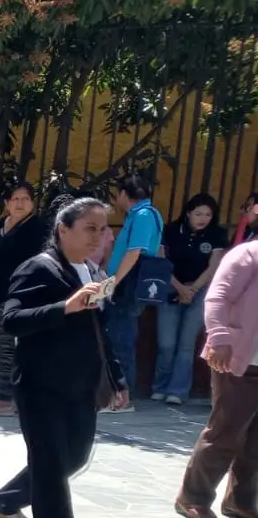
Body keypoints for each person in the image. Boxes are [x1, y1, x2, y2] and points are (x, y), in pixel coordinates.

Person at [0, 198, 128, 518]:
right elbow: (12, 319)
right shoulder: (38, 268)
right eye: (89, 228)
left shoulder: (93, 272)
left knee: (73, 458)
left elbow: (99, 331)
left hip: (82, 385)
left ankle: (3, 502)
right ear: (63, 230)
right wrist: (64, 307)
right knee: (50, 470)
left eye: (103, 229)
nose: (98, 237)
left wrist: (117, 376)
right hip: (41, 386)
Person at [175, 234, 258, 518]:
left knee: (255, 442)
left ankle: (241, 501)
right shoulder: (246, 255)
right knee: (225, 432)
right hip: (238, 359)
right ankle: (192, 498)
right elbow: (217, 297)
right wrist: (219, 338)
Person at [0, 182, 44, 417]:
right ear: (7, 203)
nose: (21, 203)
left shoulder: (36, 229)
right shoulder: (2, 225)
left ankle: (11, 397)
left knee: (9, 345)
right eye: (15, 199)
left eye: (26, 199)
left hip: (19, 296)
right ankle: (7, 391)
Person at [152, 194, 226, 406]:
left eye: (208, 215)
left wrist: (192, 290)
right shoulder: (170, 230)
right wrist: (179, 287)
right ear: (188, 213)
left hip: (199, 290)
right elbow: (161, 260)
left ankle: (177, 390)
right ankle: (160, 386)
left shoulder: (217, 234)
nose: (203, 219)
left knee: (187, 343)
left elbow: (214, 267)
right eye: (198, 214)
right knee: (166, 343)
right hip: (170, 286)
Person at [102, 173, 164, 413]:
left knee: (121, 340)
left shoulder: (144, 215)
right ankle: (116, 395)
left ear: (124, 194)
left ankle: (122, 398)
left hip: (128, 284)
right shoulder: (141, 215)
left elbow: (134, 252)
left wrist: (114, 282)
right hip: (127, 283)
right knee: (118, 337)